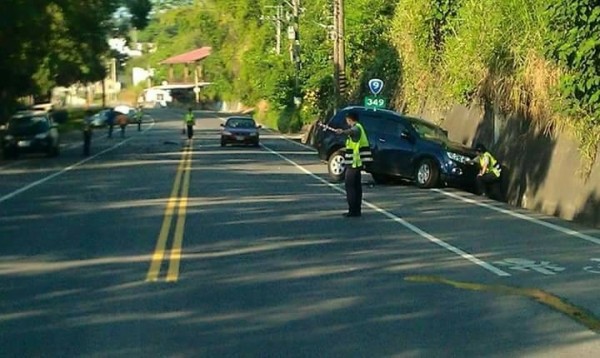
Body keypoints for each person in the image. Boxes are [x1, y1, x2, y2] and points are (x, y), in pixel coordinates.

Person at [334, 111, 372, 217]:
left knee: (350, 186)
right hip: (357, 162)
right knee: (356, 186)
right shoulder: (360, 127)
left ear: (349, 119)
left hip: (354, 163)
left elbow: (352, 131)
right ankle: (357, 210)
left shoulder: (357, 128)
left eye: (347, 119)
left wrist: (342, 132)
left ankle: (352, 210)